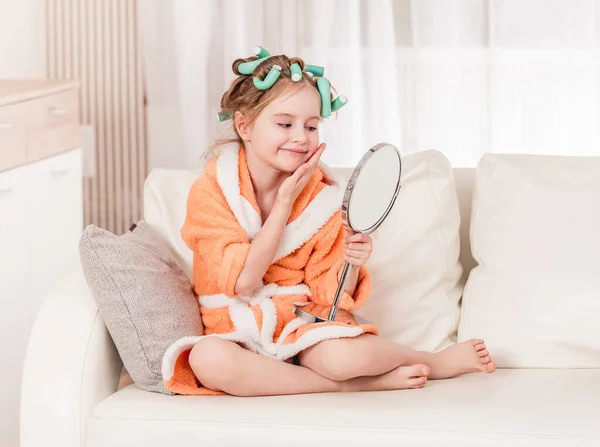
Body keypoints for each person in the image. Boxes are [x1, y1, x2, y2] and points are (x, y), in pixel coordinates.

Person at [161, 46, 496, 397]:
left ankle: (431, 361)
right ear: (244, 125)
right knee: (206, 358)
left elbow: (329, 294)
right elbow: (243, 283)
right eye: (284, 123)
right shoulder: (212, 192)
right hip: (235, 332)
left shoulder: (322, 200)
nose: (300, 136)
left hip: (298, 327)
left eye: (311, 125)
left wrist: (352, 263)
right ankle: (360, 387)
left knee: (343, 359)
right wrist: (283, 204)